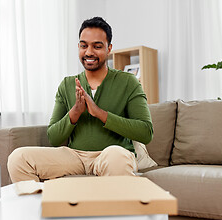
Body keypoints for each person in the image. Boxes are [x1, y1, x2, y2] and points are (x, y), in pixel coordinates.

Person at [8, 16, 153, 183]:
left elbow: (146, 132)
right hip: (74, 156)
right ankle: (42, 208)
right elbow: (53, 138)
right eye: (84, 46)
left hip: (110, 154)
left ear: (109, 48)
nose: (89, 52)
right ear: (79, 47)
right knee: (18, 158)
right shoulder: (67, 84)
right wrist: (75, 112)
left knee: (116, 157)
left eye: (97, 46)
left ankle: (114, 208)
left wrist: (99, 113)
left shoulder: (128, 82)